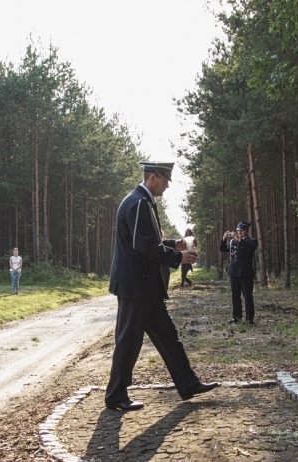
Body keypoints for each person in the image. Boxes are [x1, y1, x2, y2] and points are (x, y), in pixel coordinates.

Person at [105, 161, 218, 411]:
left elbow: (148, 241)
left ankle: (188, 383)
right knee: (128, 342)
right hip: (136, 286)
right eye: (165, 181)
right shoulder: (138, 203)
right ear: (153, 178)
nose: (167, 187)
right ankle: (115, 396)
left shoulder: (142, 202)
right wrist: (178, 257)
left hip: (145, 287)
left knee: (168, 337)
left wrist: (174, 244)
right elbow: (144, 245)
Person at [220, 221, 258, 324]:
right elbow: (223, 249)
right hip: (234, 272)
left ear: (247, 231)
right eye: (238, 230)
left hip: (245, 273)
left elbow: (250, 249)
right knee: (235, 296)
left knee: (248, 296)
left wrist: (239, 240)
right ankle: (236, 317)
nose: (239, 232)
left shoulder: (251, 241)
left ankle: (249, 318)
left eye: (241, 230)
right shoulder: (233, 241)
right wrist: (224, 239)